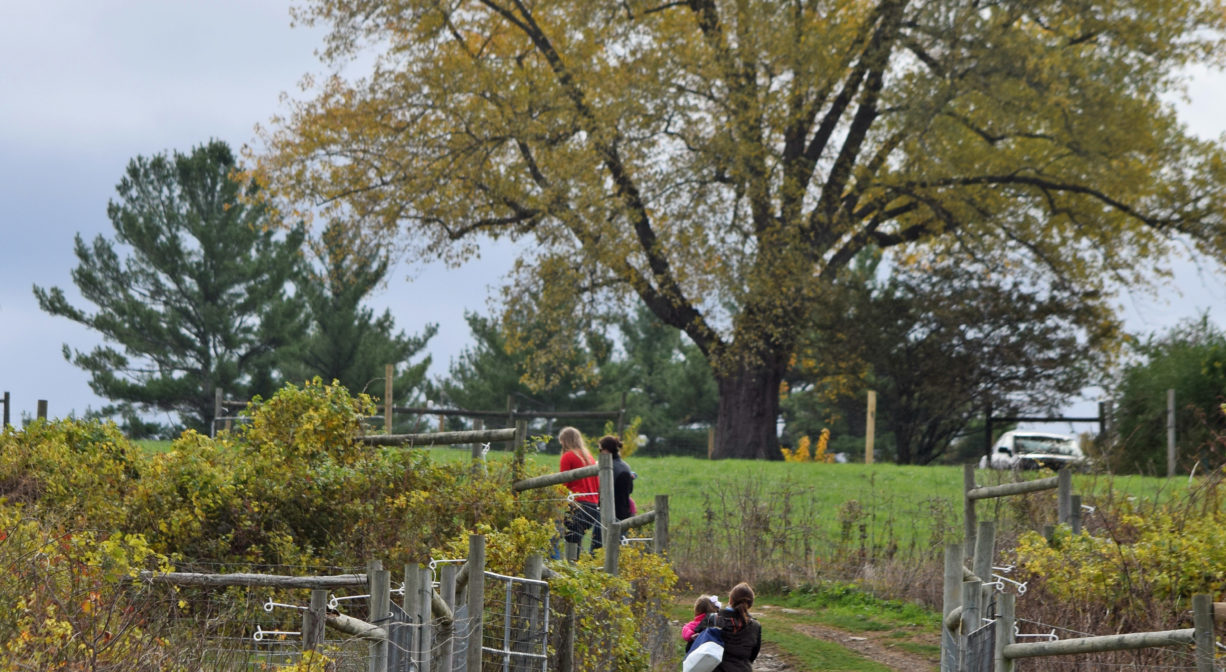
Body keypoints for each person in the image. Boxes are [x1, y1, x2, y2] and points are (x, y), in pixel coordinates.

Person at [695, 582, 761, 672]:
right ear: (750, 605)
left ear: (730, 600)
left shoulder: (712, 619)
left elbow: (692, 647)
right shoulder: (755, 626)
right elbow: (752, 656)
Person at [558, 426, 601, 554]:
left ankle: (571, 567)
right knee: (577, 538)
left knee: (572, 538)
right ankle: (577, 567)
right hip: (593, 505)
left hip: (578, 504)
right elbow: (597, 483)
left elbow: (563, 482)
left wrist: (556, 501)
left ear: (565, 441)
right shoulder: (589, 457)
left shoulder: (568, 456)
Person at [598, 434, 634, 523]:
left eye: (600, 450)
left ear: (606, 450)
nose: (599, 452)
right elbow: (630, 490)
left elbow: (602, 491)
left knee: (598, 536)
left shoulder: (607, 468)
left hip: (609, 513)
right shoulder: (626, 466)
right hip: (625, 512)